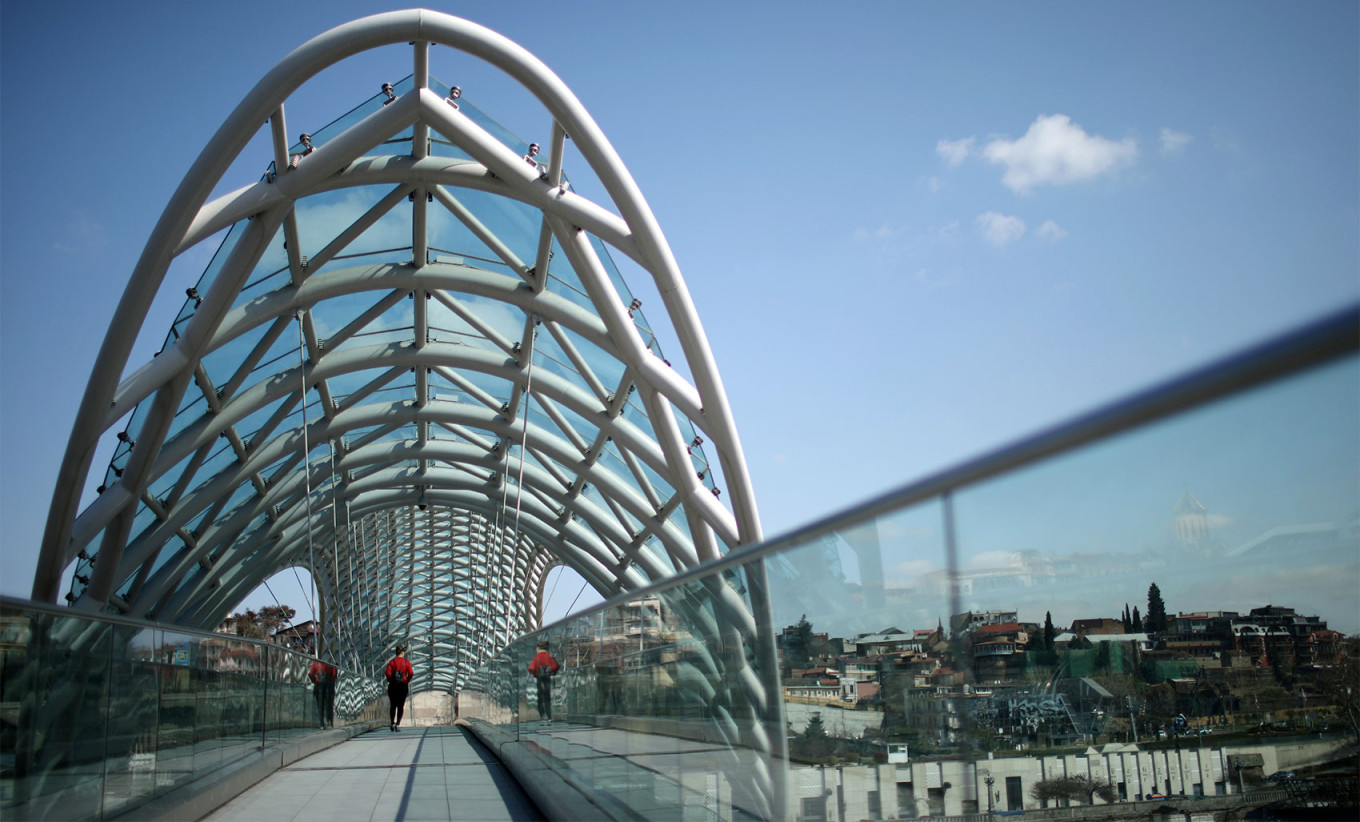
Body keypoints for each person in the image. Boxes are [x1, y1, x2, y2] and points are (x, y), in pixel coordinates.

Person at [527, 641, 559, 720]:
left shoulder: (537, 657)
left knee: (540, 696)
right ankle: (549, 714)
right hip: (548, 678)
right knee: (547, 696)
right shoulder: (549, 656)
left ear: (538, 648)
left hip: (540, 678)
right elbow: (555, 666)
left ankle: (542, 714)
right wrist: (551, 672)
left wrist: (536, 673)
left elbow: (531, 668)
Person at [385, 645, 414, 731]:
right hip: (403, 686)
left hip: (393, 686)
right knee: (400, 705)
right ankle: (398, 723)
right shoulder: (406, 662)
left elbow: (387, 673)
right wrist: (406, 680)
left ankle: (392, 723)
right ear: (402, 653)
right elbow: (411, 673)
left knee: (393, 705)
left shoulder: (392, 662)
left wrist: (391, 680)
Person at [308, 658, 337, 728]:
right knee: (329, 704)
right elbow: (334, 674)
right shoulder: (331, 664)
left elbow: (311, 674)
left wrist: (315, 681)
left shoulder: (316, 664)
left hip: (319, 685)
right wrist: (331, 682)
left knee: (320, 705)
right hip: (329, 686)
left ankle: (321, 723)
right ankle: (329, 721)